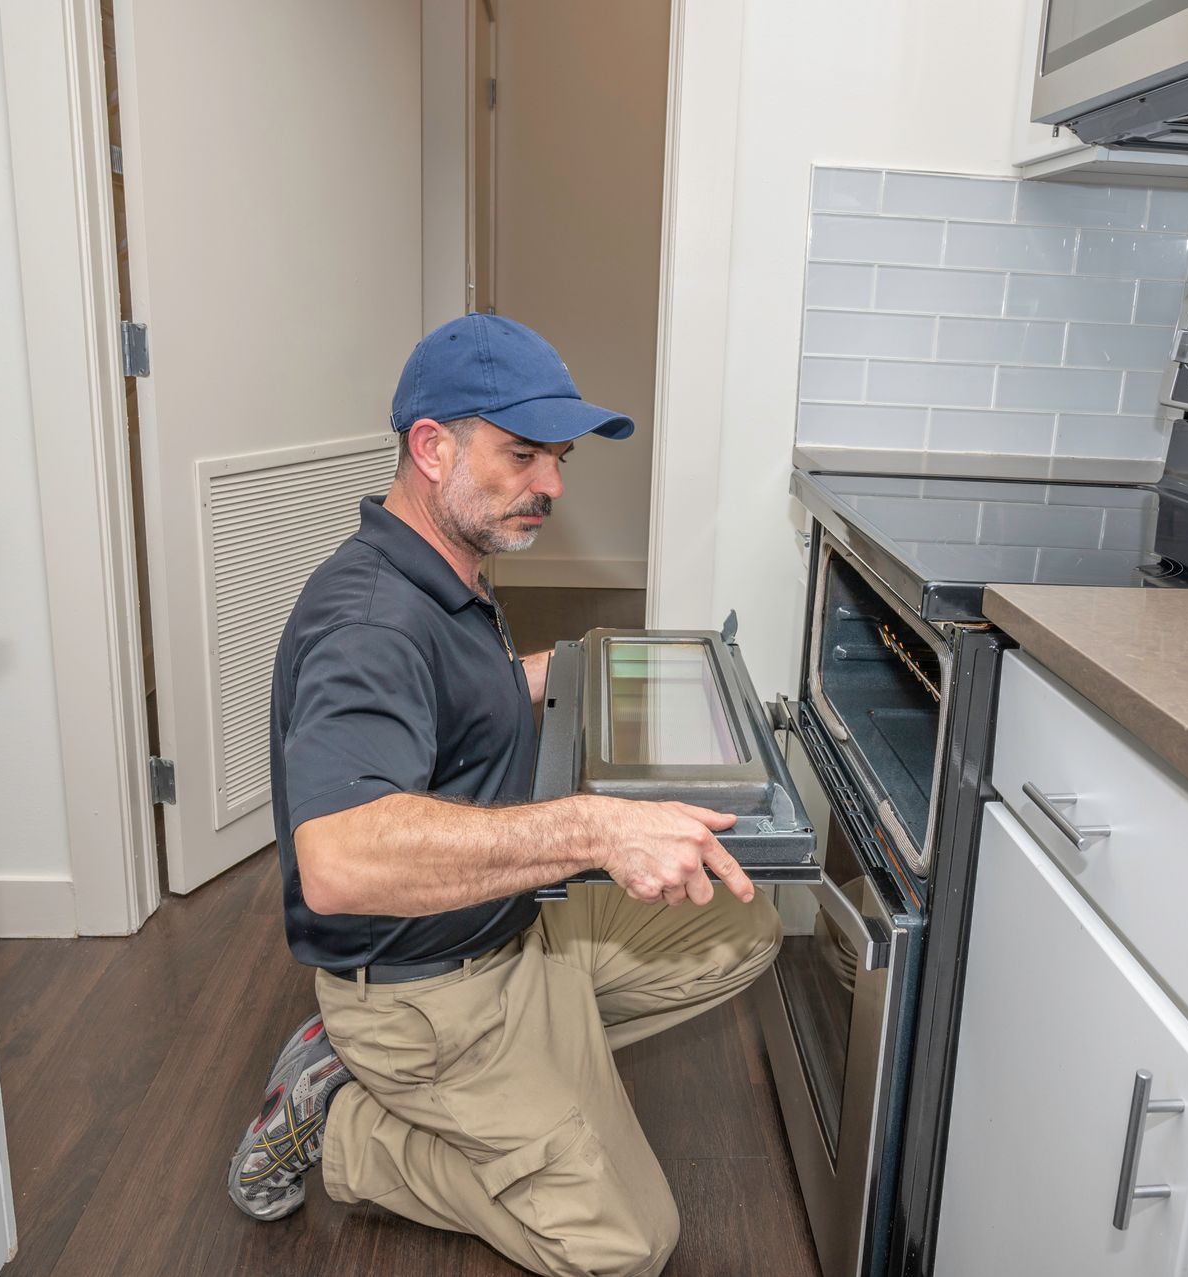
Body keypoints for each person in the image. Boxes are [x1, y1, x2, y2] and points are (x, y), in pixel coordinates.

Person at [225, 313, 782, 1277]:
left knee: (743, 923)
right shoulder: (369, 623)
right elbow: (340, 859)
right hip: (428, 994)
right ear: (431, 447)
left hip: (509, 929)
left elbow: (457, 700)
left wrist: (571, 671)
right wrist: (595, 825)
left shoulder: (444, 568)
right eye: (523, 454)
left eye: (558, 457)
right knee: (625, 1245)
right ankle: (353, 1123)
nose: (554, 484)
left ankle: (537, 1090)